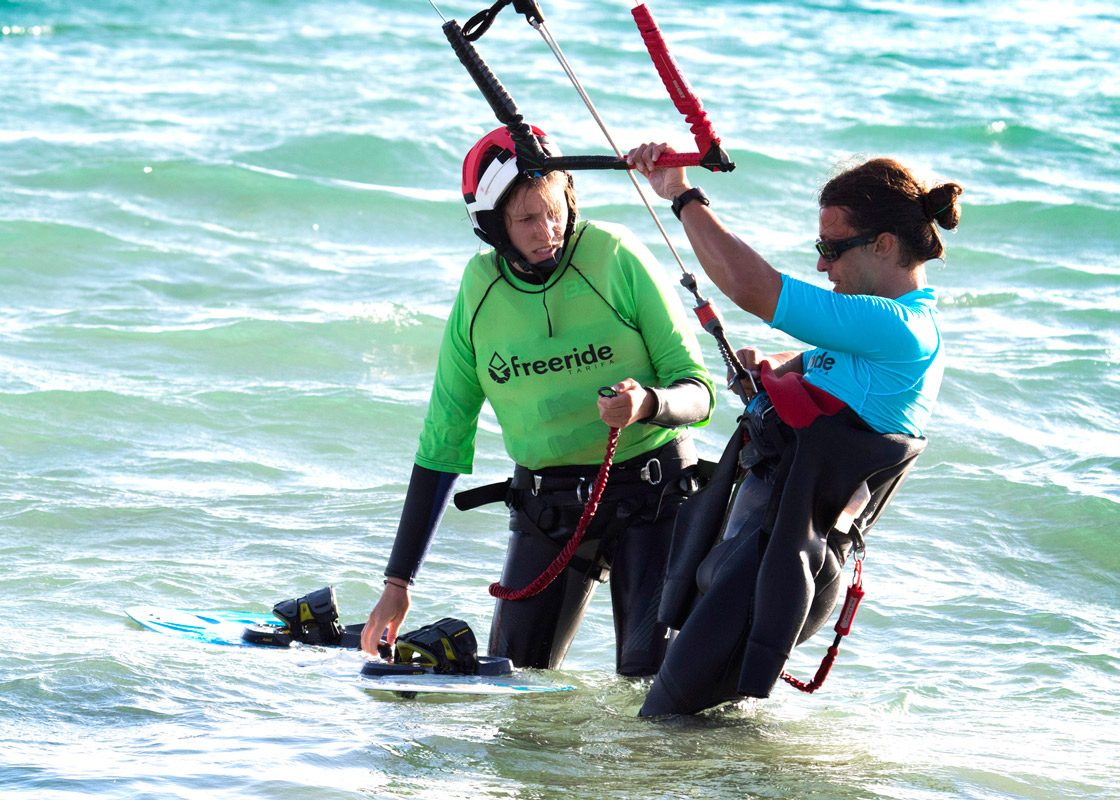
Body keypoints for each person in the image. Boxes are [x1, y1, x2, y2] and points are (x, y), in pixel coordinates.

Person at [360, 126, 715, 677]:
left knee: (650, 685)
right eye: (527, 219)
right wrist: (397, 583)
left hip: (655, 494)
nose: (547, 231)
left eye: (554, 212)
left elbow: (697, 388)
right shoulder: (479, 293)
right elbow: (443, 440)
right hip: (548, 506)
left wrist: (647, 403)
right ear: (492, 223)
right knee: (514, 684)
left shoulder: (613, 255)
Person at [626, 142, 963, 714]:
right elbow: (824, 395)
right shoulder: (865, 338)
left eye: (830, 248)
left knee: (664, 728)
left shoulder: (903, 329)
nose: (821, 265)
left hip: (778, 570)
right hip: (753, 554)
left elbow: (756, 289)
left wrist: (682, 195)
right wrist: (775, 382)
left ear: (883, 245)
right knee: (695, 734)